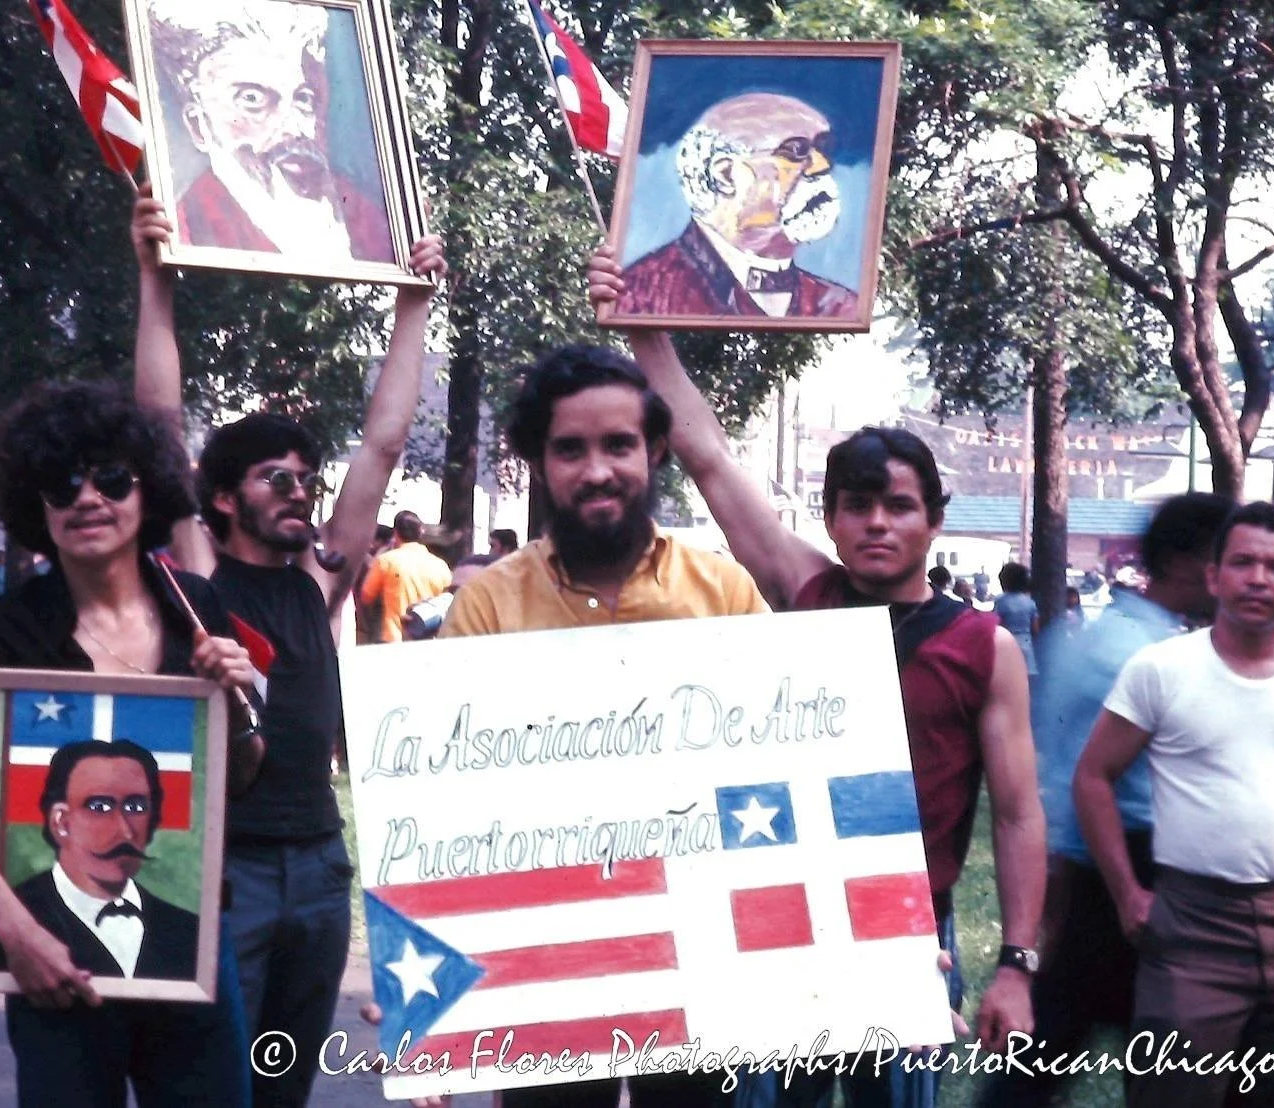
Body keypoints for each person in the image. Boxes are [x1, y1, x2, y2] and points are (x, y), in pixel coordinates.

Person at [588, 251, 1044, 1108]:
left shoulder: (984, 647)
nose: (877, 523)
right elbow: (711, 460)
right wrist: (643, 324)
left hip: (911, 929)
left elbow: (1019, 814)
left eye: (898, 506)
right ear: (830, 518)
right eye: (856, 506)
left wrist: (1017, 964)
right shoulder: (806, 591)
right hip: (782, 918)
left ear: (933, 521)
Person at [131, 187, 445, 1107]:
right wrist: (155, 274)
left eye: (306, 478)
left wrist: (413, 303)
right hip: (227, 868)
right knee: (212, 1081)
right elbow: (160, 422)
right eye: (277, 479)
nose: (300, 492)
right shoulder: (200, 574)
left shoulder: (320, 578)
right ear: (224, 498)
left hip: (318, 866)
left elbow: (383, 444)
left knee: (283, 1082)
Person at [0, 382, 260, 1108]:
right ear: (37, 504)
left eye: (112, 478)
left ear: (148, 490)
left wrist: (239, 709)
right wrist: (17, 934)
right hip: (50, 962)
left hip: (190, 951)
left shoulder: (197, 609)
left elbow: (239, 777)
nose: (88, 498)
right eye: (63, 484)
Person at [435, 344, 766, 1107]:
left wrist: (871, 946)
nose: (597, 471)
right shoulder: (488, 607)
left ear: (655, 451)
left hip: (698, 950)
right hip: (545, 955)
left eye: (619, 444)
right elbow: (442, 806)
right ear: (539, 461)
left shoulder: (721, 591)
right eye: (570, 449)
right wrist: (425, 984)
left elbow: (790, 769)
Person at [1074, 502, 1274, 1108]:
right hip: (1192, 927)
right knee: (1171, 1095)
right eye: (1243, 562)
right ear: (1214, 575)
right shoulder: (1161, 670)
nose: (1258, 579)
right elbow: (1094, 778)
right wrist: (1128, 895)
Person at [977, 492, 1231, 1108]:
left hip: (1107, 869)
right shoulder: (1141, 655)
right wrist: (1067, 888)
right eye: (1226, 559)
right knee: (1085, 1045)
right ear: (1188, 563)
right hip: (1123, 868)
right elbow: (1079, 778)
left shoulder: (1102, 635)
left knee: (1070, 1041)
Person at [146, 0, 393, 262]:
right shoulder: (181, 230)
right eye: (252, 99)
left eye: (303, 99)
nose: (294, 128)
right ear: (198, 125)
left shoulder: (364, 216)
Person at [616, 94, 857, 319]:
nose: (821, 165)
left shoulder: (840, 305)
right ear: (726, 174)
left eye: (822, 148)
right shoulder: (641, 291)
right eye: (795, 150)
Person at [0, 740, 200, 982]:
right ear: (61, 822)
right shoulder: (11, 922)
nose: (124, 831)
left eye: (135, 807)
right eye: (99, 807)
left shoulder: (188, 931)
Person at [358, 511, 452, 643]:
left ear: (395, 533)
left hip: (393, 638)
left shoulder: (386, 561)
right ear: (420, 532)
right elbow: (449, 600)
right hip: (427, 639)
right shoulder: (440, 565)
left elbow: (366, 597)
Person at [992, 562, 1039, 681]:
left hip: (1007, 644)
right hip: (1026, 644)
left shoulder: (1001, 601)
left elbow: (996, 624)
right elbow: (1035, 629)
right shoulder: (1030, 602)